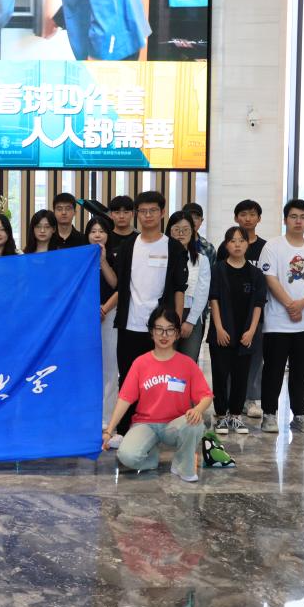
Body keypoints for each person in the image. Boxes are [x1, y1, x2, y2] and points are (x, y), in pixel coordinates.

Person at [106, 191, 188, 446]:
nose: (148, 215)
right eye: (143, 211)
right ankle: (124, 429)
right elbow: (120, 285)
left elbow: (179, 288)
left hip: (161, 328)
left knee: (160, 380)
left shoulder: (173, 247)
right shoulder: (128, 246)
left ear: (162, 213)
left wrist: (175, 324)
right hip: (130, 323)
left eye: (153, 210)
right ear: (137, 214)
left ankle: (158, 430)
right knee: (128, 378)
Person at [102, 307, 212, 482]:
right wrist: (109, 431)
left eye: (170, 330)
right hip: (146, 424)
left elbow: (206, 396)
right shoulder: (140, 363)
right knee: (127, 456)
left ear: (177, 334)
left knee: (195, 424)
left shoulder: (187, 364)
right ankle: (151, 458)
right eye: (159, 329)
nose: (164, 335)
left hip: (175, 425)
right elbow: (124, 399)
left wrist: (198, 410)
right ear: (152, 332)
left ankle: (182, 464)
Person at [259, 199, 304, 434]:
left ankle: (299, 415)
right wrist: (290, 305)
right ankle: (269, 414)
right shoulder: (273, 246)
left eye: (303, 217)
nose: (298, 221)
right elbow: (270, 278)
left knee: (302, 373)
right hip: (277, 323)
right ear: (285, 219)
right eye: (293, 216)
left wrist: (302, 304)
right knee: (273, 371)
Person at [208, 227, 266, 435]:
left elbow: (259, 304)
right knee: (220, 374)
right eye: (233, 241)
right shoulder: (218, 269)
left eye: (241, 240)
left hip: (246, 333)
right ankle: (221, 416)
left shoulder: (256, 273)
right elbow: (214, 299)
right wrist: (218, 328)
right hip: (222, 332)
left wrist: (251, 331)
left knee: (241, 376)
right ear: (226, 245)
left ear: (247, 244)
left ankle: (235, 416)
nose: (237, 244)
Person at [216, 199, 268, 419]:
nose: (248, 218)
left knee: (253, 359)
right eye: (243, 214)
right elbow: (217, 289)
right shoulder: (223, 250)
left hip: (252, 315)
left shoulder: (265, 247)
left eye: (252, 214)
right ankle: (228, 403)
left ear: (259, 218)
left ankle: (250, 399)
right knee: (226, 363)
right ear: (236, 217)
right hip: (228, 315)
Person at [85, 214, 120, 421]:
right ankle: (87, 415)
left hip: (109, 314)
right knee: (87, 367)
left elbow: (117, 285)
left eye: (101, 231)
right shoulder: (80, 256)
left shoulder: (115, 255)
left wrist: (103, 260)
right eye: (93, 231)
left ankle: (107, 418)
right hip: (84, 317)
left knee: (110, 367)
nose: (97, 235)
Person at [167, 211, 210, 362]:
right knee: (166, 360)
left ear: (193, 232)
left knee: (188, 362)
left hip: (192, 314)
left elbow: (202, 292)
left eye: (185, 230)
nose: (181, 234)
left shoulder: (201, 260)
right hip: (166, 313)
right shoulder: (163, 256)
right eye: (176, 229)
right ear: (169, 231)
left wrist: (190, 321)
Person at [105, 195, 138, 265]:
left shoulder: (139, 239)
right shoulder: (105, 238)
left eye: (126, 212)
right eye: (117, 212)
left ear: (133, 214)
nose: (121, 216)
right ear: (110, 214)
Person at [182, 202, 216, 267]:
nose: (192, 220)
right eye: (189, 217)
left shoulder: (209, 248)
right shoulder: (173, 244)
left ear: (201, 221)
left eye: (196, 218)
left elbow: (211, 272)